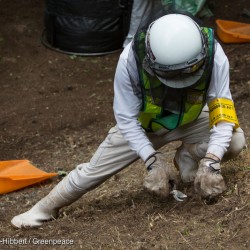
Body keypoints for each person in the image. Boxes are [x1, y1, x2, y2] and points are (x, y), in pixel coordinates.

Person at [11, 12, 246, 228]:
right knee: (93, 172)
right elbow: (125, 118)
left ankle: (188, 156)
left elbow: (223, 111)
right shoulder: (130, 60)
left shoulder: (214, 55)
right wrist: (151, 159)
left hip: (191, 118)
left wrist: (212, 161)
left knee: (234, 142)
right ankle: (42, 209)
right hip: (145, 127)